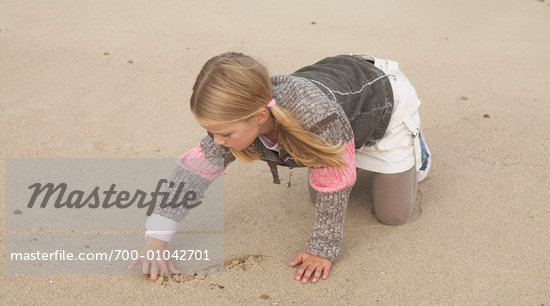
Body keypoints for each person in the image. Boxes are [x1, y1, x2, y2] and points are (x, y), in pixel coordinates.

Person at [129, 51, 431, 284]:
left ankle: (415, 147)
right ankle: (350, 150)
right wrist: (157, 238)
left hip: (380, 104)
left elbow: (336, 183)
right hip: (339, 110)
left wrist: (321, 248)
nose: (217, 142)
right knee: (319, 195)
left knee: (392, 216)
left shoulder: (317, 119)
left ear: (260, 116)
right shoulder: (235, 124)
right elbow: (192, 173)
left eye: (225, 134)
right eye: (212, 132)